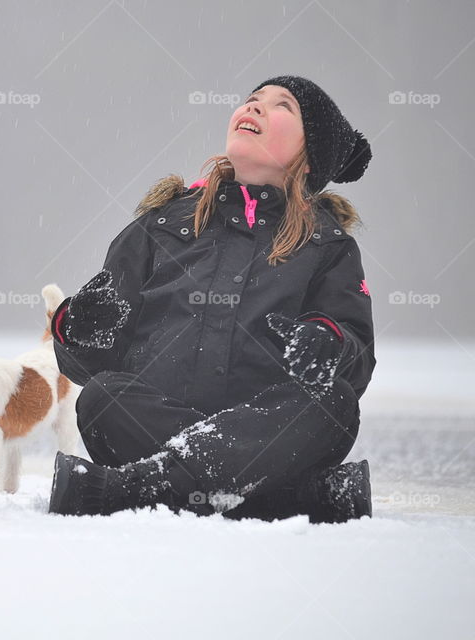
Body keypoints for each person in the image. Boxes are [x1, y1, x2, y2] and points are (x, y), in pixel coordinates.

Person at [48, 75, 375, 523]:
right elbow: (89, 364)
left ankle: (131, 489)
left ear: (309, 155)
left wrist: (326, 341)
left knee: (333, 402)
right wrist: (79, 329)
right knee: (103, 397)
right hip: (160, 424)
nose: (256, 107)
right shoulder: (161, 224)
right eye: (253, 99)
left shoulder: (328, 244)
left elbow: (354, 358)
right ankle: (290, 498)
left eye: (283, 106)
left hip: (270, 429)